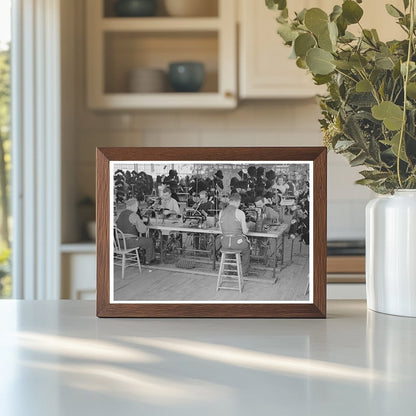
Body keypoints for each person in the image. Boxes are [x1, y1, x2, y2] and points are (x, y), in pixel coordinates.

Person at [218, 193, 250, 276]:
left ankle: (229, 271)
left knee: (229, 251)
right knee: (247, 248)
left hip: (224, 243)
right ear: (238, 201)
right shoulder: (240, 212)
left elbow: (221, 231)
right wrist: (248, 226)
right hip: (237, 243)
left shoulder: (221, 212)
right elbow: (245, 232)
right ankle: (243, 272)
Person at [116, 198, 155, 264]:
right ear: (133, 206)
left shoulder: (120, 214)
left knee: (138, 239)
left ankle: (136, 257)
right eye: (137, 207)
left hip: (119, 243)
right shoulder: (133, 215)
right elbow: (143, 230)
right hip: (129, 242)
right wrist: (142, 224)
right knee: (149, 241)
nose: (137, 208)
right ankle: (149, 260)